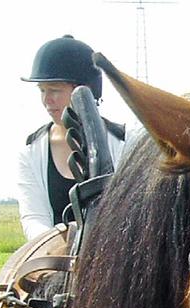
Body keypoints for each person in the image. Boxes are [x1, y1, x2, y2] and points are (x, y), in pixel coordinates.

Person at [17, 35, 125, 240]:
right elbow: (34, 219)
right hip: (54, 260)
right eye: (42, 91)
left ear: (85, 90)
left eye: (55, 90)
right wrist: (64, 249)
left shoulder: (126, 143)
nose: (47, 100)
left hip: (115, 257)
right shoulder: (30, 153)